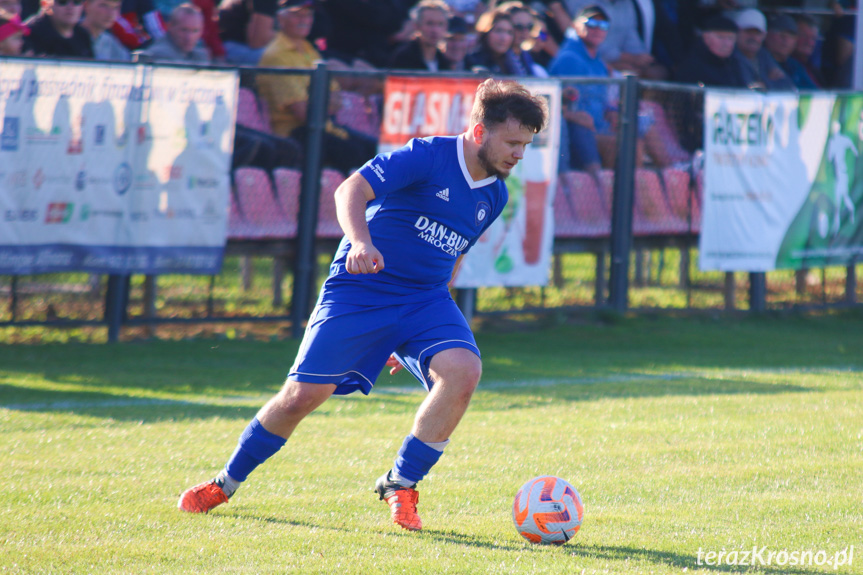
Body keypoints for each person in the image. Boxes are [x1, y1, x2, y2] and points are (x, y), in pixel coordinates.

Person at [177, 78, 549, 533]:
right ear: (478, 133)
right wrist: (359, 241)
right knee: (302, 397)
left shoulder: (495, 194)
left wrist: (411, 338)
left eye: (526, 145)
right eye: (512, 142)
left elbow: (454, 253)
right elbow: (350, 190)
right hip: (362, 288)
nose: (518, 154)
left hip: (425, 300)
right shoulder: (426, 155)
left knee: (463, 371)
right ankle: (225, 482)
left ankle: (401, 483)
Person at [256, 0, 377, 175]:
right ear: (280, 18)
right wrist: (325, 101)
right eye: (297, 14)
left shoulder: (308, 49)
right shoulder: (277, 56)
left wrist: (320, 101)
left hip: (323, 126)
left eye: (308, 14)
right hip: (293, 132)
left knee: (374, 149)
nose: (304, 19)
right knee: (353, 154)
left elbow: (336, 97)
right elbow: (303, 113)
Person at [564, 0, 665, 78]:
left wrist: (641, 60)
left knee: (656, 72)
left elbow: (632, 41)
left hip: (605, 67)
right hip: (598, 63)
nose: (598, 29)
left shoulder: (626, 5)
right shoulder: (570, 58)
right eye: (592, 24)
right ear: (575, 26)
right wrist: (625, 59)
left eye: (604, 25)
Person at [674, 14, 746, 87]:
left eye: (730, 38)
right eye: (720, 37)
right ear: (706, 38)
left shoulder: (736, 65)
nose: (726, 43)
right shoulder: (691, 67)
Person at [731, 8, 794, 91]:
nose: (753, 37)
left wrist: (765, 84)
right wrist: (769, 81)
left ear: (764, 35)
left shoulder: (763, 54)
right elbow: (748, 88)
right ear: (737, 33)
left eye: (757, 33)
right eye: (748, 32)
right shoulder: (731, 56)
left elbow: (788, 86)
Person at [389, 0, 452, 71]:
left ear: (446, 27)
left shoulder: (444, 61)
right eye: (429, 23)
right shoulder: (403, 58)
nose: (435, 30)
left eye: (440, 24)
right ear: (417, 26)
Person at [135, 2, 209, 62]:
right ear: (170, 27)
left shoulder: (200, 55)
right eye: (184, 30)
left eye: (195, 31)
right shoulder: (160, 54)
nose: (189, 37)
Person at [764, 13, 817, 90]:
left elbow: (815, 92)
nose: (786, 40)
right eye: (781, 35)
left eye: (791, 36)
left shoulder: (795, 65)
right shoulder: (760, 61)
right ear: (767, 36)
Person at [24, 0, 94, 57]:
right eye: (62, 1)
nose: (70, 7)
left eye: (77, 1)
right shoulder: (31, 33)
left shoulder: (83, 36)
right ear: (47, 5)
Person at [464, 5, 520, 75]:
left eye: (509, 32)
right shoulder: (471, 60)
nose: (504, 38)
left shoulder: (516, 61)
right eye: (498, 31)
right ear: (485, 33)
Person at [499, 1, 548, 77]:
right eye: (519, 27)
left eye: (530, 27)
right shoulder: (498, 56)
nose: (525, 32)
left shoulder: (526, 56)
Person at [791, 13, 822, 87]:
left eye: (813, 38)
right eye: (804, 36)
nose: (809, 42)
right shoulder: (786, 67)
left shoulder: (814, 70)